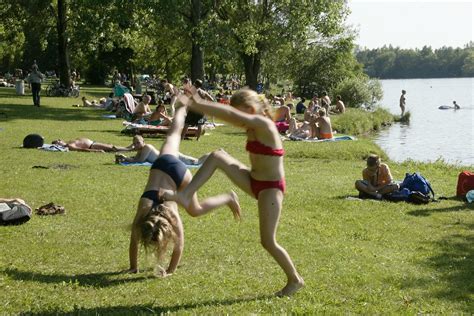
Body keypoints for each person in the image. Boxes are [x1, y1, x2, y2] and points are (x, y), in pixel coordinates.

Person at [163, 86, 304, 296]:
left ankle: (295, 280)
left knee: (268, 241)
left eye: (240, 114)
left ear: (249, 110)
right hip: (251, 179)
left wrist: (198, 103)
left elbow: (229, 114)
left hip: (270, 189)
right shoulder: (251, 125)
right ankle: (186, 194)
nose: (237, 121)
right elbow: (231, 115)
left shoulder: (264, 124)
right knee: (217, 156)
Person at [126, 103, 239, 276]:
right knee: (173, 134)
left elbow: (178, 244)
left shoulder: (168, 211)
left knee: (196, 210)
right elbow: (135, 240)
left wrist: (170, 271)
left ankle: (228, 198)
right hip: (162, 164)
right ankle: (180, 107)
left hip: (177, 175)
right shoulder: (145, 208)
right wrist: (133, 267)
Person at [115, 135, 207, 165]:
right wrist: (124, 158)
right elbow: (135, 159)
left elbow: (140, 161)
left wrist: (126, 158)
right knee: (196, 161)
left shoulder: (147, 147)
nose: (136, 145)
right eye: (134, 143)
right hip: (169, 157)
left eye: (138, 142)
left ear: (143, 142)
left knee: (196, 162)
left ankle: (213, 155)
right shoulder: (141, 150)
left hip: (172, 156)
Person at [52, 138, 134, 153]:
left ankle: (127, 148)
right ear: (58, 145)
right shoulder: (70, 146)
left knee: (111, 146)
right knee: (112, 148)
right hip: (93, 146)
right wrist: (96, 151)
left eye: (59, 140)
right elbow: (82, 150)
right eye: (58, 142)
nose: (60, 140)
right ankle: (129, 149)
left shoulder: (69, 142)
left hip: (93, 143)